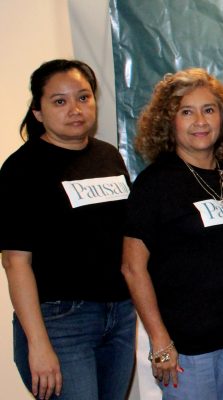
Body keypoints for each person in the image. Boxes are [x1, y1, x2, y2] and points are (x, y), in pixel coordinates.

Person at [0, 59, 136, 400]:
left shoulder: (108, 156)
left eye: (83, 97)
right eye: (59, 101)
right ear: (38, 111)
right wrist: (38, 344)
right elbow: (15, 262)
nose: (75, 109)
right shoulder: (22, 169)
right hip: (61, 322)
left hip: (119, 314)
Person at [122, 68, 223, 399]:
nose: (200, 121)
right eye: (186, 112)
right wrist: (159, 340)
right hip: (186, 348)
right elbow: (132, 267)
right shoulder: (154, 184)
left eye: (209, 109)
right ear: (168, 121)